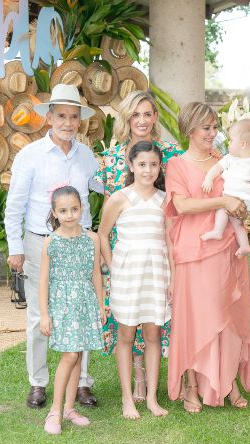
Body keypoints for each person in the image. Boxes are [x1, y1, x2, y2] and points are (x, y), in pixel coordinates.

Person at [5, 84, 103, 409]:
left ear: (80, 121)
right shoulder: (29, 156)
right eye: (61, 115)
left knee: (83, 310)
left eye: (74, 116)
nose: (68, 122)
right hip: (39, 243)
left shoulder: (86, 156)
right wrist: (15, 247)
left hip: (79, 244)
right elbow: (14, 206)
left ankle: (83, 383)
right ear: (49, 117)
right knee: (38, 314)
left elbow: (105, 187)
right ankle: (38, 382)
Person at [164, 101, 250, 413]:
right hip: (193, 249)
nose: (213, 133)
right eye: (207, 128)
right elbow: (183, 206)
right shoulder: (176, 165)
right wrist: (223, 200)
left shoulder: (225, 160)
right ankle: (192, 385)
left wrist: (241, 204)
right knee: (194, 317)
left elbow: (239, 196)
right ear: (190, 130)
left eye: (215, 127)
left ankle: (228, 382)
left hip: (227, 247)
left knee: (228, 314)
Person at [94, 90, 183, 402]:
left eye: (148, 114)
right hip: (125, 251)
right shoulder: (112, 158)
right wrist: (110, 264)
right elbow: (108, 211)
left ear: (155, 117)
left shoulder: (171, 154)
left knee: (154, 316)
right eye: (136, 114)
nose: (142, 120)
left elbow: (175, 203)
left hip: (157, 242)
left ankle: (159, 379)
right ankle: (137, 379)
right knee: (127, 319)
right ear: (126, 118)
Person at [97, 141, 173, 419]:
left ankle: (152, 397)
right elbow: (103, 234)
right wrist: (112, 266)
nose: (148, 170)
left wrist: (173, 278)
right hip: (127, 273)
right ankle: (127, 398)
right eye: (142, 164)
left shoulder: (165, 200)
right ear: (131, 166)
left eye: (153, 164)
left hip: (156, 272)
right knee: (126, 335)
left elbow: (169, 240)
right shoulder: (119, 198)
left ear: (159, 167)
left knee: (153, 333)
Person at [39, 185, 106, 435]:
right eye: (63, 211)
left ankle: (69, 408)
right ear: (55, 213)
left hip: (85, 302)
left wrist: (100, 304)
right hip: (62, 304)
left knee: (78, 354)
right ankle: (54, 410)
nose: (69, 215)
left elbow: (96, 274)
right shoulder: (50, 243)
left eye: (74, 209)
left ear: (82, 209)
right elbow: (44, 281)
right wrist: (45, 314)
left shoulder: (92, 239)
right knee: (69, 355)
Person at [200, 118, 250, 257]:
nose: (229, 144)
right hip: (231, 199)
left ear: (242, 144)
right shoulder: (230, 158)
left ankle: (218, 230)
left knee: (224, 210)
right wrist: (209, 178)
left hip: (246, 201)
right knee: (236, 223)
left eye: (231, 140)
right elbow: (217, 168)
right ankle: (245, 246)